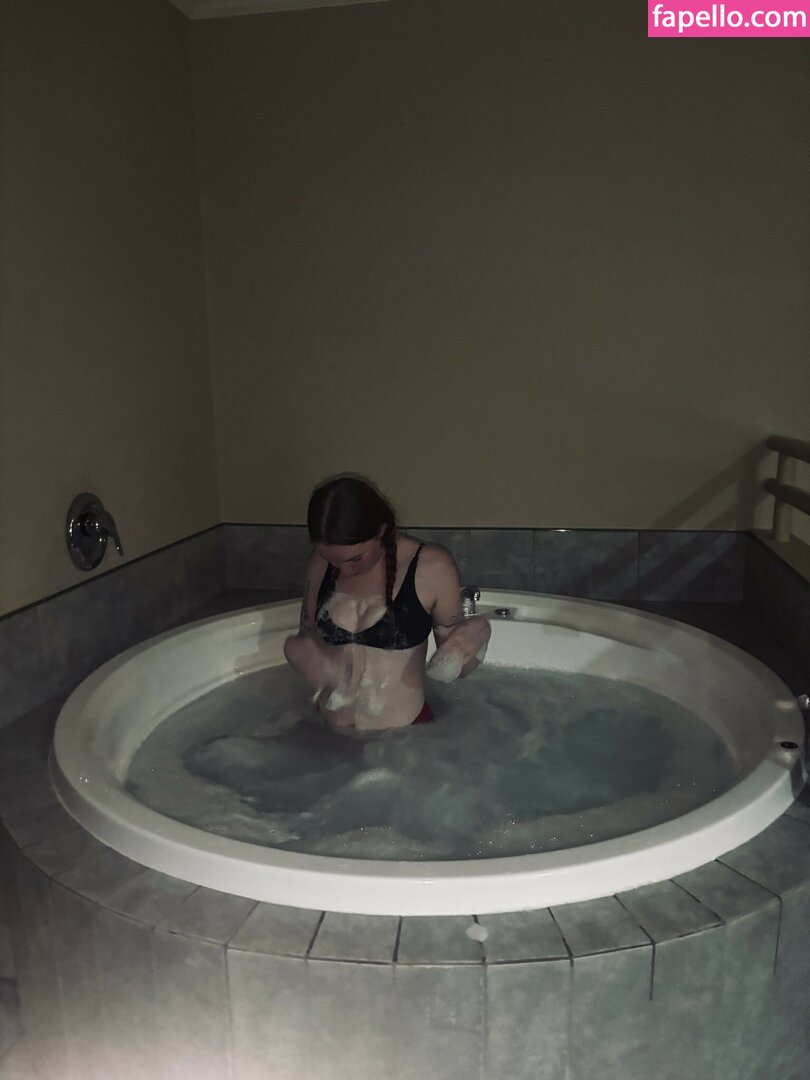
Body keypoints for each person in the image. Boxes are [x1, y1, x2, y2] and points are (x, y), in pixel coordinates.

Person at [283, 475, 491, 731]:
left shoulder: (431, 567)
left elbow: (458, 668)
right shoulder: (319, 563)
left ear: (382, 530)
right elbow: (307, 640)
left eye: (355, 559)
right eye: (332, 559)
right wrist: (305, 656)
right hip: (329, 731)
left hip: (402, 738)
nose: (344, 570)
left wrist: (479, 631)